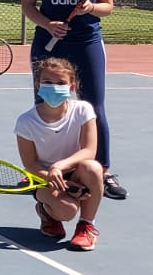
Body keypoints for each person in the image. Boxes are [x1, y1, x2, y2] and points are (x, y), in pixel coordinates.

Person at [20, 0, 125, 200]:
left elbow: (108, 7)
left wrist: (91, 7)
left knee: (94, 106)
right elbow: (28, 5)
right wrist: (47, 24)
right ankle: (40, 172)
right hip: (49, 44)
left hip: (87, 43)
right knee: (44, 106)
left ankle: (101, 171)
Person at [15, 57, 105, 251]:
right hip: (43, 178)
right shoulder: (25, 122)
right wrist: (55, 179)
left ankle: (86, 226)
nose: (54, 87)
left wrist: (59, 167)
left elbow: (89, 151)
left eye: (61, 83)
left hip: (75, 171)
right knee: (67, 210)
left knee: (93, 168)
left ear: (72, 87)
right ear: (38, 84)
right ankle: (47, 211)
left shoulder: (83, 110)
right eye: (47, 82)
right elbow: (30, 164)